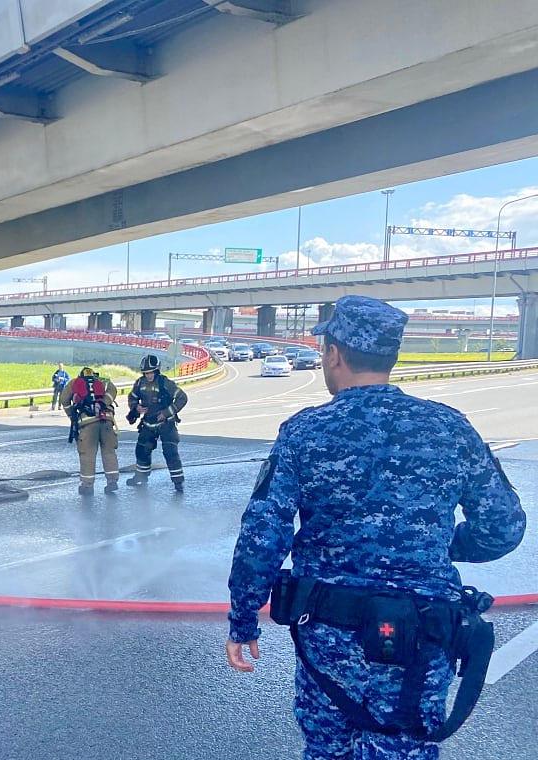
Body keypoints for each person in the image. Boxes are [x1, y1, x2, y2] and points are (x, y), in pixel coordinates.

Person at [225, 295, 526, 759]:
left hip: (328, 638)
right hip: (420, 638)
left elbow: (262, 539)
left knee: (327, 749)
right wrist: (444, 546)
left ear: (334, 353)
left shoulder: (305, 431)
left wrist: (244, 621)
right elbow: (503, 527)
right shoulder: (449, 428)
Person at [125, 355, 187, 492]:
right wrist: (136, 408)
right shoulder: (139, 383)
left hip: (167, 424)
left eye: (151, 372)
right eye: (146, 373)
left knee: (170, 452)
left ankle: (178, 482)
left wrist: (166, 413)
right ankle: (141, 477)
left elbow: (182, 398)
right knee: (142, 451)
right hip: (148, 424)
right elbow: (132, 397)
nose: (148, 375)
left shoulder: (165, 383)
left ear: (157, 371)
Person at [59, 367, 119, 494]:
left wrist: (72, 416)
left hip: (87, 424)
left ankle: (87, 486)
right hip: (106, 420)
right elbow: (113, 389)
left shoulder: (74, 382)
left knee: (87, 455)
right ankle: (112, 481)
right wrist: (103, 403)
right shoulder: (102, 381)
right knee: (109, 452)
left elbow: (64, 400)